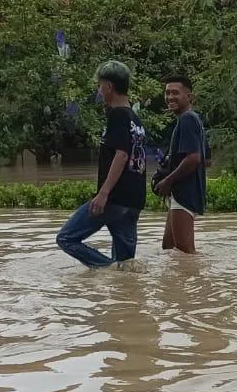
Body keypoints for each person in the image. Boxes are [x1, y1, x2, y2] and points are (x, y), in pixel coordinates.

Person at [56, 60, 147, 268]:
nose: (99, 90)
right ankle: (121, 286)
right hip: (133, 202)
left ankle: (107, 268)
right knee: (126, 266)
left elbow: (122, 155)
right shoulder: (136, 120)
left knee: (66, 238)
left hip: (114, 199)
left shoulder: (117, 115)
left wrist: (104, 193)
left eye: (100, 85)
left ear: (109, 87)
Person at [153, 76, 207, 254]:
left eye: (175, 93)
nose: (170, 97)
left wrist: (168, 180)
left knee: (185, 252)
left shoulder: (187, 120)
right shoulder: (192, 120)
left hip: (184, 194)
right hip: (181, 193)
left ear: (189, 97)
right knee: (168, 247)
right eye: (167, 93)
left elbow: (194, 158)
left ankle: (194, 281)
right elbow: (207, 160)